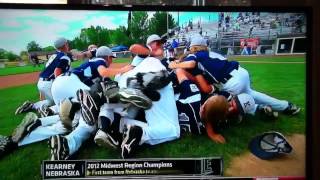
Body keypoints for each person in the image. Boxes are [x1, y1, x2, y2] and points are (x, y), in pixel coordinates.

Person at [168, 35, 300, 115]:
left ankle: (256, 109)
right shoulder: (212, 53)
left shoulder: (195, 54)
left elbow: (190, 64)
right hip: (241, 72)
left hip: (231, 81)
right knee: (252, 93)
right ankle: (286, 106)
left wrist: (176, 65)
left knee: (227, 103)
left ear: (193, 47)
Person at [15, 37, 72, 117]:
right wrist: (59, 86)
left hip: (42, 82)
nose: (68, 45)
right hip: (49, 83)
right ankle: (45, 112)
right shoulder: (64, 57)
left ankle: (31, 106)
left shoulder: (55, 55)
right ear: (64, 45)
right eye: (67, 43)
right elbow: (57, 71)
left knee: (50, 102)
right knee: (64, 103)